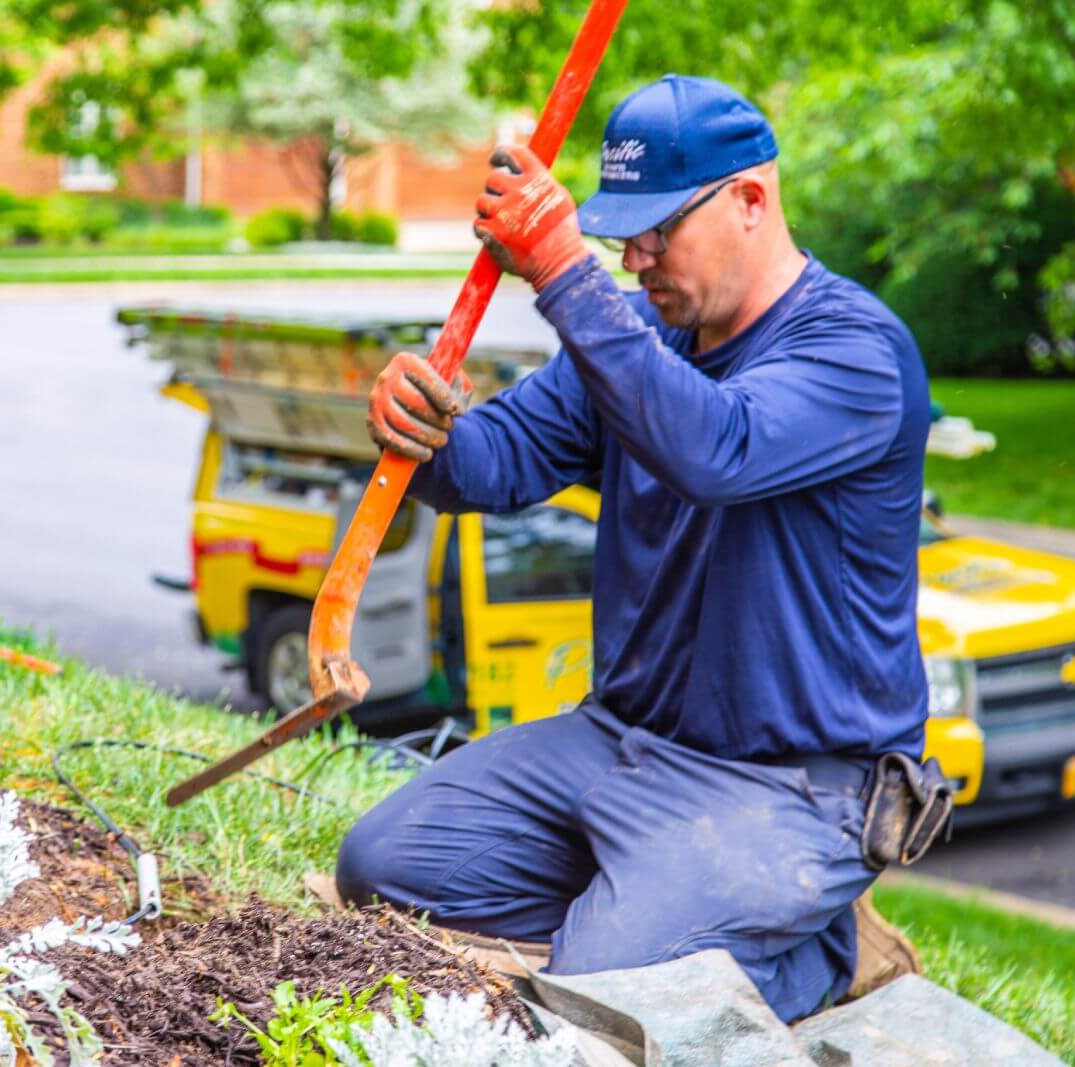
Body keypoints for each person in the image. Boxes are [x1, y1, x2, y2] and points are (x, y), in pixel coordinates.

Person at [336, 74, 932, 1021]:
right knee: (382, 867)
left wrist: (569, 273)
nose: (635, 255)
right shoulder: (643, 338)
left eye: (661, 229)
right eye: (621, 232)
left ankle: (820, 949)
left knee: (602, 990)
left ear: (750, 199)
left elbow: (718, 449)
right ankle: (662, 914)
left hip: (792, 785)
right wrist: (427, 434)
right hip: (622, 741)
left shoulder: (856, 352)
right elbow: (500, 460)